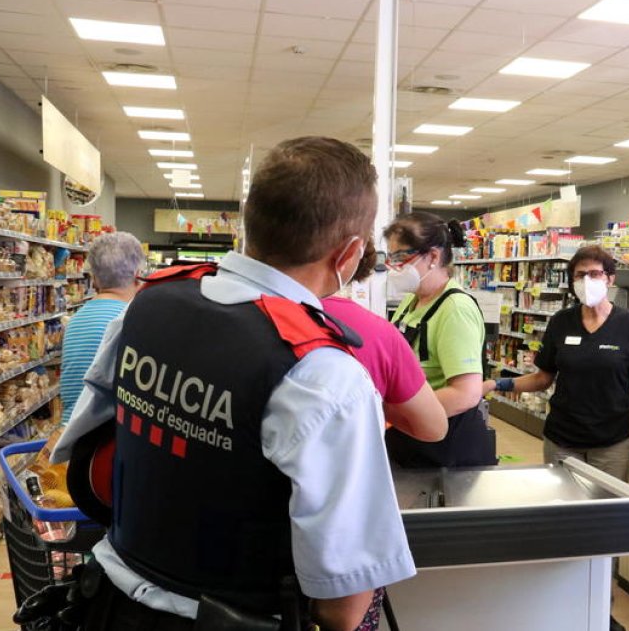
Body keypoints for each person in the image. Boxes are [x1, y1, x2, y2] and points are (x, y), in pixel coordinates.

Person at [51, 136, 416, 630]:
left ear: (250, 220)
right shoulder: (324, 376)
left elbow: (91, 465)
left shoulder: (149, 305)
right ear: (350, 254)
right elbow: (344, 605)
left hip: (111, 601)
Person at [484, 245, 629, 488]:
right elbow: (542, 378)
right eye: (580, 275)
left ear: (610, 279)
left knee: (604, 510)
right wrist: (496, 383)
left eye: (595, 273)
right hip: (562, 440)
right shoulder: (561, 322)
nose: (587, 280)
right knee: (563, 510)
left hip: (612, 442)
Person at [385, 212, 494, 468]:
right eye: (390, 258)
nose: (393, 266)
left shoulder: (455, 308)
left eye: (401, 257)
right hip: (411, 440)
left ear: (433, 257)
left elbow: (465, 393)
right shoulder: (411, 302)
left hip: (446, 450)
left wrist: (394, 414)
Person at [323, 239, 449, 443]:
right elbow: (434, 427)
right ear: (351, 255)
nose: (394, 267)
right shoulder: (376, 332)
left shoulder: (260, 311)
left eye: (401, 257)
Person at [59, 232, 145, 424]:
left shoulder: (74, 321)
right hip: (108, 440)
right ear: (138, 275)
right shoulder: (134, 320)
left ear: (94, 278)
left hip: (69, 434)